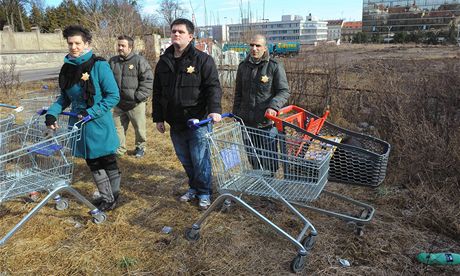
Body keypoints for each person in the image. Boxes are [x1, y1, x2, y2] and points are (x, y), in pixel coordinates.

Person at [45, 25, 121, 212]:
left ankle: (112, 197)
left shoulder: (99, 66)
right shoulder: (67, 69)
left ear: (86, 43)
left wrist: (91, 112)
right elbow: (64, 98)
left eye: (78, 43)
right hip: (79, 126)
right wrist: (52, 112)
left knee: (107, 159)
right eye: (70, 43)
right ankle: (107, 197)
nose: (74, 47)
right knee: (92, 161)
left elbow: (113, 96)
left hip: (98, 123)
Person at [152, 18, 222, 210]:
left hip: (198, 121)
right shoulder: (164, 61)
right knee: (185, 159)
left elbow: (213, 88)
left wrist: (215, 110)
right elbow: (157, 91)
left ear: (190, 36)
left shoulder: (203, 60)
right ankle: (194, 187)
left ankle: (205, 192)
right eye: (173, 31)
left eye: (180, 32)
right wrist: (158, 117)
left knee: (200, 159)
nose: (176, 34)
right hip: (175, 121)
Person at [232, 34, 290, 174]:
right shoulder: (243, 67)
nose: (254, 48)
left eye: (258, 45)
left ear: (265, 48)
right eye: (251, 45)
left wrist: (273, 106)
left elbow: (284, 91)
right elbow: (238, 92)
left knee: (269, 158)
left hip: (266, 123)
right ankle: (259, 183)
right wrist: (236, 113)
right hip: (246, 123)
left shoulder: (274, 67)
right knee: (253, 157)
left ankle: (269, 188)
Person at [109, 35, 153, 158]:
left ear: (130, 47)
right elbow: (106, 80)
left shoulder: (139, 61)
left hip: (136, 103)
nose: (120, 48)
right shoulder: (112, 61)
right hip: (118, 103)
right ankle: (120, 149)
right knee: (117, 128)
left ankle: (140, 147)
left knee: (139, 128)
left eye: (123, 45)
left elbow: (148, 80)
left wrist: (138, 97)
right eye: (119, 45)